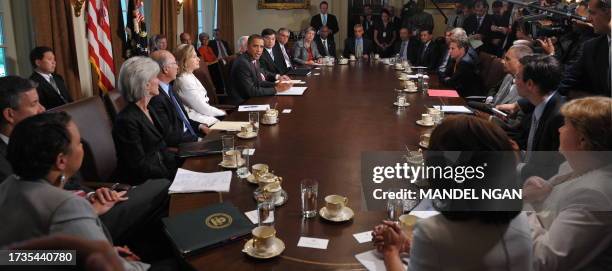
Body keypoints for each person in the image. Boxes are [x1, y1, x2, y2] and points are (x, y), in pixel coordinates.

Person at [0, 76, 172, 261]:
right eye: (34, 104)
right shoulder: (56, 201)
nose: (42, 109)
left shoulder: (28, 155)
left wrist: (92, 195)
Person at [373, 115, 531, 271]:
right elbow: (467, 255)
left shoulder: (433, 233)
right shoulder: (520, 219)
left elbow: (453, 248)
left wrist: (390, 251)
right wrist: (409, 245)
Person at [0, 112, 151, 271]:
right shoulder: (67, 206)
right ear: (61, 161)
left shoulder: (7, 186)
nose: (82, 147)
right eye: (79, 142)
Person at [523, 97, 612, 270]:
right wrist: (536, 192)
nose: (559, 129)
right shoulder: (576, 165)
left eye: (565, 125)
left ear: (582, 141)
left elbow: (542, 261)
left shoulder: (595, 195)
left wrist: (526, 205)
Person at [113, 57, 179, 185]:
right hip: (145, 184)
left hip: (162, 175)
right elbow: (139, 167)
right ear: (146, 84)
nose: (159, 81)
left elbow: (162, 148)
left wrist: (180, 169)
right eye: (155, 77)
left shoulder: (149, 109)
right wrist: (172, 176)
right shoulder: (126, 121)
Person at [513, 54, 565, 181]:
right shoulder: (536, 103)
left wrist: (517, 163)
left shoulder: (559, 118)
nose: (514, 81)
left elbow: (552, 171)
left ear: (530, 84)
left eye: (517, 77)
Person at [148, 50, 206, 148]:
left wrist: (200, 126)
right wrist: (198, 140)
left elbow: (183, 120)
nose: (178, 67)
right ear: (166, 69)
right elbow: (170, 136)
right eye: (175, 63)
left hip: (193, 135)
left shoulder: (169, 88)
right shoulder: (156, 98)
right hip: (184, 146)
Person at [556, 0, 611, 98]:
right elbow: (567, 80)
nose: (588, 19)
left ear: (609, 12)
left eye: (592, 13)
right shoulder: (591, 47)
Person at [0, 76, 45, 180]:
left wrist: (90, 194)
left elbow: (72, 181)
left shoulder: (45, 138)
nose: (42, 109)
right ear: (9, 115)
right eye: (34, 104)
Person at [228, 35, 292, 105]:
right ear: (248, 47)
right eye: (255, 46)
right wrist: (276, 89)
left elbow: (259, 82)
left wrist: (276, 84)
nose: (259, 50)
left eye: (261, 47)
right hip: (242, 103)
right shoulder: (242, 63)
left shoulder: (254, 59)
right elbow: (251, 91)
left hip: (252, 99)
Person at [174, 44, 226, 127]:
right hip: (199, 122)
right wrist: (222, 112)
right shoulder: (184, 81)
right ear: (185, 60)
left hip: (205, 116)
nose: (198, 59)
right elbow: (202, 108)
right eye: (194, 57)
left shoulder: (189, 75)